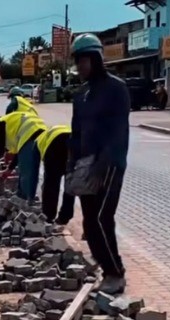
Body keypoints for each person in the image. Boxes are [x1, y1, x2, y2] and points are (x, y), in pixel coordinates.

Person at [70, 33, 130, 295]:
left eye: (82, 61)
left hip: (110, 165)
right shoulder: (81, 95)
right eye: (77, 62)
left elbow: (118, 132)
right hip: (85, 165)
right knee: (89, 223)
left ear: (95, 58)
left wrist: (101, 166)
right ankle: (106, 268)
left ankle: (115, 272)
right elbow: (76, 132)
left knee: (103, 217)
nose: (79, 67)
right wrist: (72, 165)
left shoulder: (116, 88)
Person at [0, 111, 47, 201]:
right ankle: (22, 194)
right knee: (28, 167)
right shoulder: (13, 123)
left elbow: (0, 147)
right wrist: (9, 168)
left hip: (31, 133)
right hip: (41, 131)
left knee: (26, 169)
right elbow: (19, 155)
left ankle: (25, 199)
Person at [34, 125, 75, 225]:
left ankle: (48, 217)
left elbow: (34, 167)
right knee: (71, 184)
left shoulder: (38, 141)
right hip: (74, 141)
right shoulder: (52, 131)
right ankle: (64, 217)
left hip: (55, 145)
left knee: (51, 184)